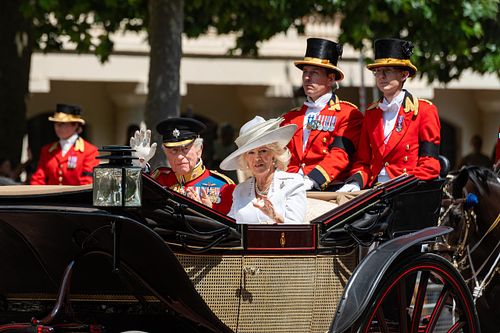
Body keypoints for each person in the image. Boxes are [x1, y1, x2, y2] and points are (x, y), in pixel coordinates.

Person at [340, 38, 441, 191]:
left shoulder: (424, 110)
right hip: (373, 191)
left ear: (404, 75)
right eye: (377, 71)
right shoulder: (371, 113)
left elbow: (430, 165)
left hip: (407, 191)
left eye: (387, 71)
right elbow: (363, 161)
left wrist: (399, 185)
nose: (381, 76)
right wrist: (355, 182)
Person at [281, 38, 364, 191]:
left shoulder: (348, 114)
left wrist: (313, 179)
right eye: (305, 72)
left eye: (314, 73)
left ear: (330, 78)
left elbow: (340, 154)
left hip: (326, 188)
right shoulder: (290, 117)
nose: (307, 77)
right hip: (290, 187)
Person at [220, 116, 306, 224]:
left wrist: (275, 217)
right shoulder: (240, 190)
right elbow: (230, 227)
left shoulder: (293, 183)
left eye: (263, 151)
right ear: (245, 159)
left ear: (274, 154)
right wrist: (209, 210)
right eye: (251, 152)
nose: (257, 158)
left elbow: (297, 230)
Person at [144, 117, 235, 214]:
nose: (179, 156)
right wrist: (139, 166)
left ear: (199, 150)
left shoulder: (223, 186)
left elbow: (232, 227)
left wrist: (209, 212)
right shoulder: (158, 180)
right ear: (166, 153)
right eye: (173, 150)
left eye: (185, 149)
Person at [30, 104, 99, 185]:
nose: (57, 127)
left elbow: (87, 182)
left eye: (63, 123)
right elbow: (38, 179)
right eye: (56, 123)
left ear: (75, 125)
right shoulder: (47, 150)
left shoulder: (89, 151)